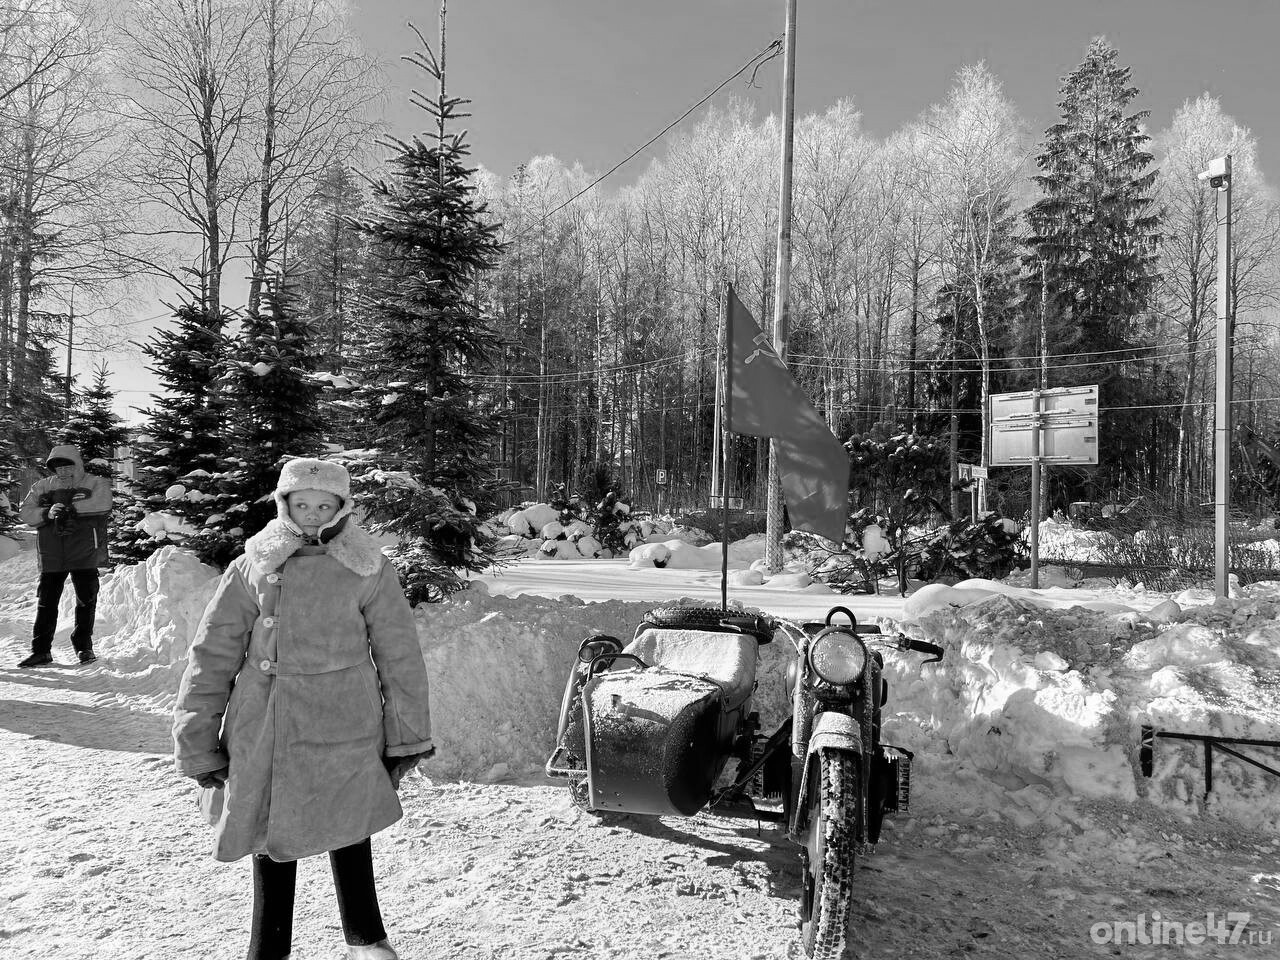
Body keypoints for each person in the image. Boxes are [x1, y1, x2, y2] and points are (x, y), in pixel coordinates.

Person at [173, 458, 433, 960]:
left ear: (342, 508)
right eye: (302, 504)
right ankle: (268, 948)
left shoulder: (367, 566)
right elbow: (211, 654)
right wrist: (196, 739)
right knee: (268, 829)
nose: (312, 514)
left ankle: (367, 939)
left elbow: (399, 655)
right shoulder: (253, 564)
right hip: (264, 721)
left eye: (324, 505)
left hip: (345, 720)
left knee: (349, 822)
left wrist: (407, 736)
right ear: (283, 504)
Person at [17, 444, 113, 667]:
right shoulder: (41, 486)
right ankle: (41, 651)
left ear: (77, 465)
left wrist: (72, 508)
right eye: (58, 468)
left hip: (84, 551)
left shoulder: (95, 482)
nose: (63, 471)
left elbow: (103, 502)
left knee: (86, 601)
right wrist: (47, 512)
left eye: (67, 466)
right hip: (52, 553)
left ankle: (84, 647)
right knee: (46, 603)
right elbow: (26, 512)